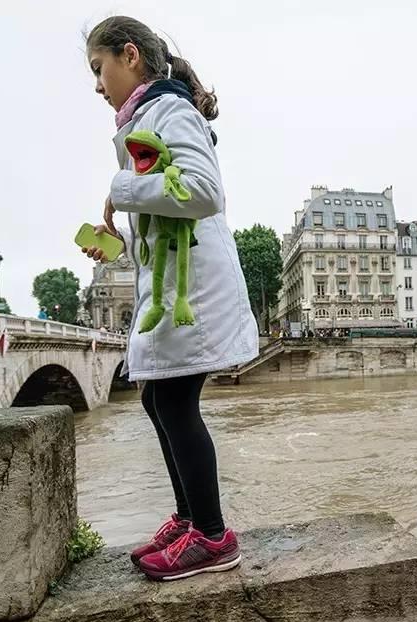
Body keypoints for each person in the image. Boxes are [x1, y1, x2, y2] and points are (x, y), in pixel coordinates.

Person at [81, 16, 258, 582]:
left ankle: (212, 535)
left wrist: (120, 189)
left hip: (193, 295)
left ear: (129, 55)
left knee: (176, 404)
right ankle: (189, 519)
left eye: (98, 68)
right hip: (173, 288)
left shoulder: (170, 110)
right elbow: (168, 212)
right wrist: (121, 239)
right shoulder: (149, 116)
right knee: (159, 401)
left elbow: (205, 193)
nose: (96, 83)